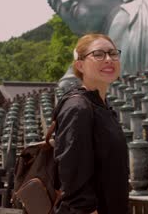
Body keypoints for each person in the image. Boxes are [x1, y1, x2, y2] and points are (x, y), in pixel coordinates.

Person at [53, 33, 129, 214]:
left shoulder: (102, 106)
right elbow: (72, 174)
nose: (109, 59)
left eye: (113, 53)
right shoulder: (78, 108)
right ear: (80, 65)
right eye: (99, 54)